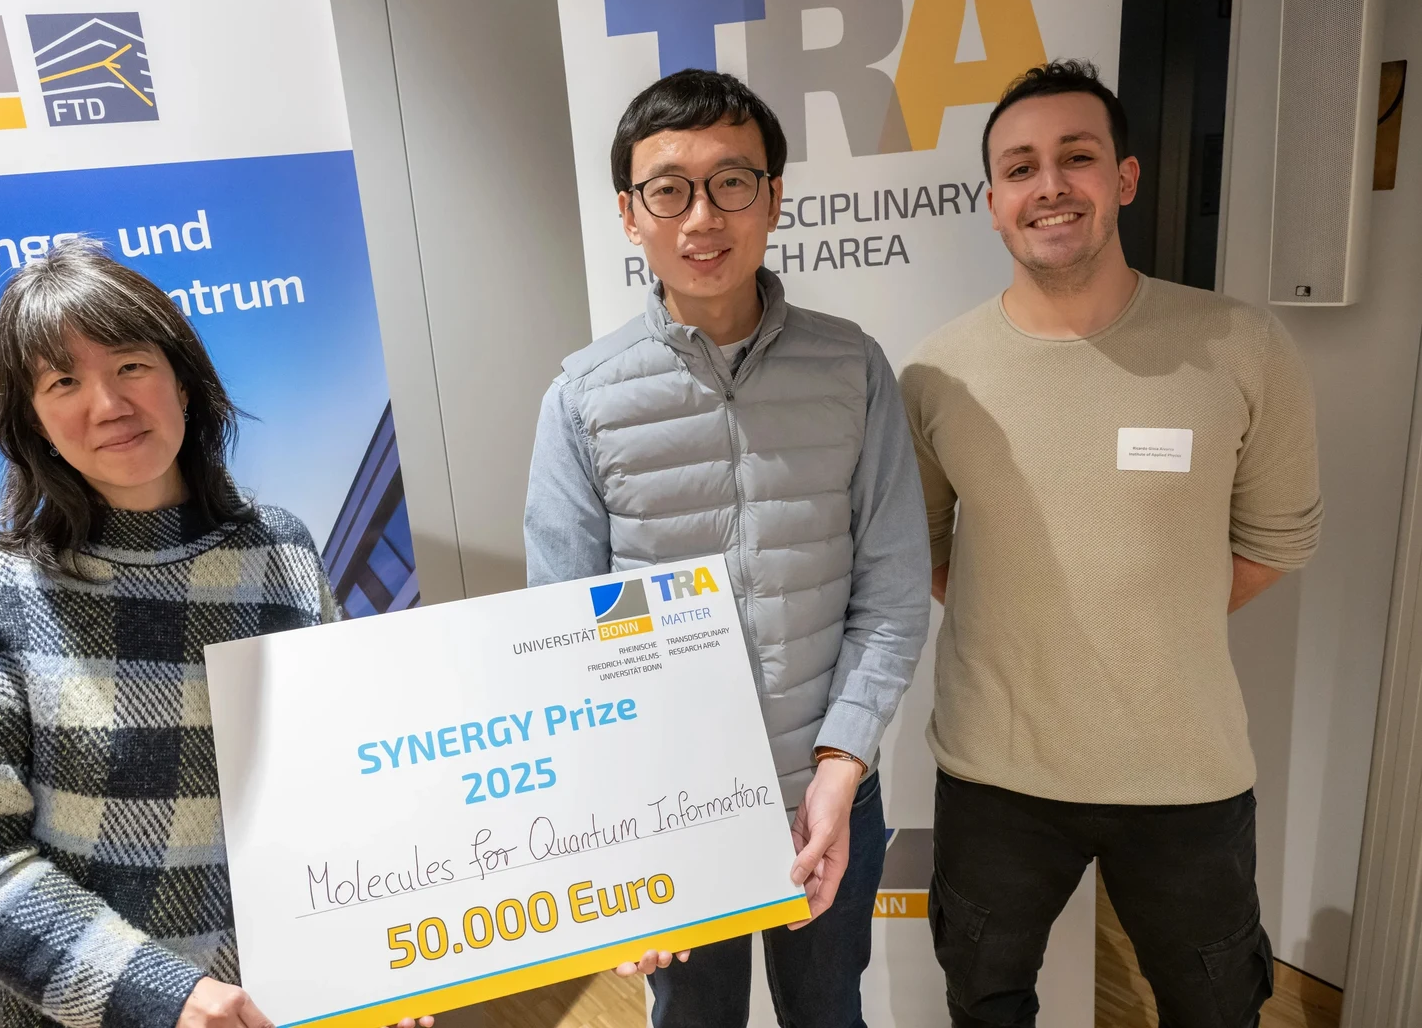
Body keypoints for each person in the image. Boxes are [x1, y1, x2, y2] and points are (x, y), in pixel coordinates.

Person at [0, 241, 433, 1028]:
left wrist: (380, 956)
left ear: (182, 379)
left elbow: (342, 773)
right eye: (62, 383)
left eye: (129, 365)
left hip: (294, 1003)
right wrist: (161, 993)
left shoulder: (279, 550)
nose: (108, 404)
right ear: (35, 424)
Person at [901, 60, 1323, 1028]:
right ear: (994, 202)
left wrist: (1147, 617)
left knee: (1214, 1008)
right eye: (1020, 168)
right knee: (986, 1002)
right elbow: (923, 549)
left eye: (1076, 157)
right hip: (994, 773)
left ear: (1124, 178)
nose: (1050, 185)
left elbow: (1275, 540)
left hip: (1184, 768)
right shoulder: (936, 373)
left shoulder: (1240, 347)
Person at [524, 68, 931, 1027]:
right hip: (671, 809)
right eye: (669, 188)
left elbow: (894, 589)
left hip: (830, 790)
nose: (702, 216)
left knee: (829, 1013)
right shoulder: (583, 399)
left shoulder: (854, 367)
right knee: (694, 1019)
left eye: (732, 182)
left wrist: (842, 764)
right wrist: (616, 825)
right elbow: (563, 635)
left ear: (774, 197)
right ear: (631, 214)